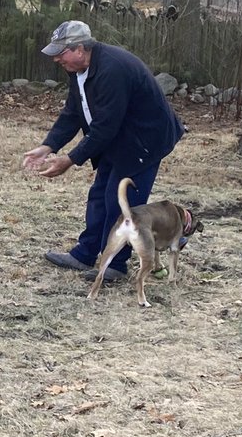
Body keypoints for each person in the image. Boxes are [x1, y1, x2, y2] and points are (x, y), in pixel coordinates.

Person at [22, 20, 184, 284]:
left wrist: (70, 160)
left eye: (60, 53)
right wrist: (47, 146)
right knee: (99, 196)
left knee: (119, 202)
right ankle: (84, 253)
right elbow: (74, 112)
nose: (56, 59)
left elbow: (105, 127)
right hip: (119, 138)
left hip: (145, 140)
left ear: (80, 49)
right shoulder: (78, 69)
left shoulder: (112, 70)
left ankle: (116, 266)